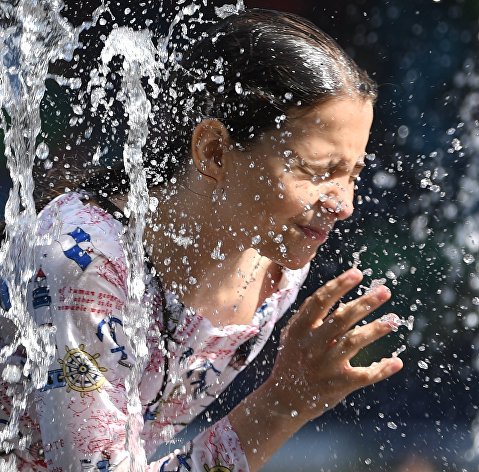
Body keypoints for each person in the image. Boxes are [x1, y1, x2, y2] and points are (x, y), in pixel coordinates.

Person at [0, 8, 403, 472]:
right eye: (318, 172)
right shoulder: (86, 258)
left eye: (352, 174)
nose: (344, 204)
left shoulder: (276, 268)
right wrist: (283, 403)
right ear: (212, 151)